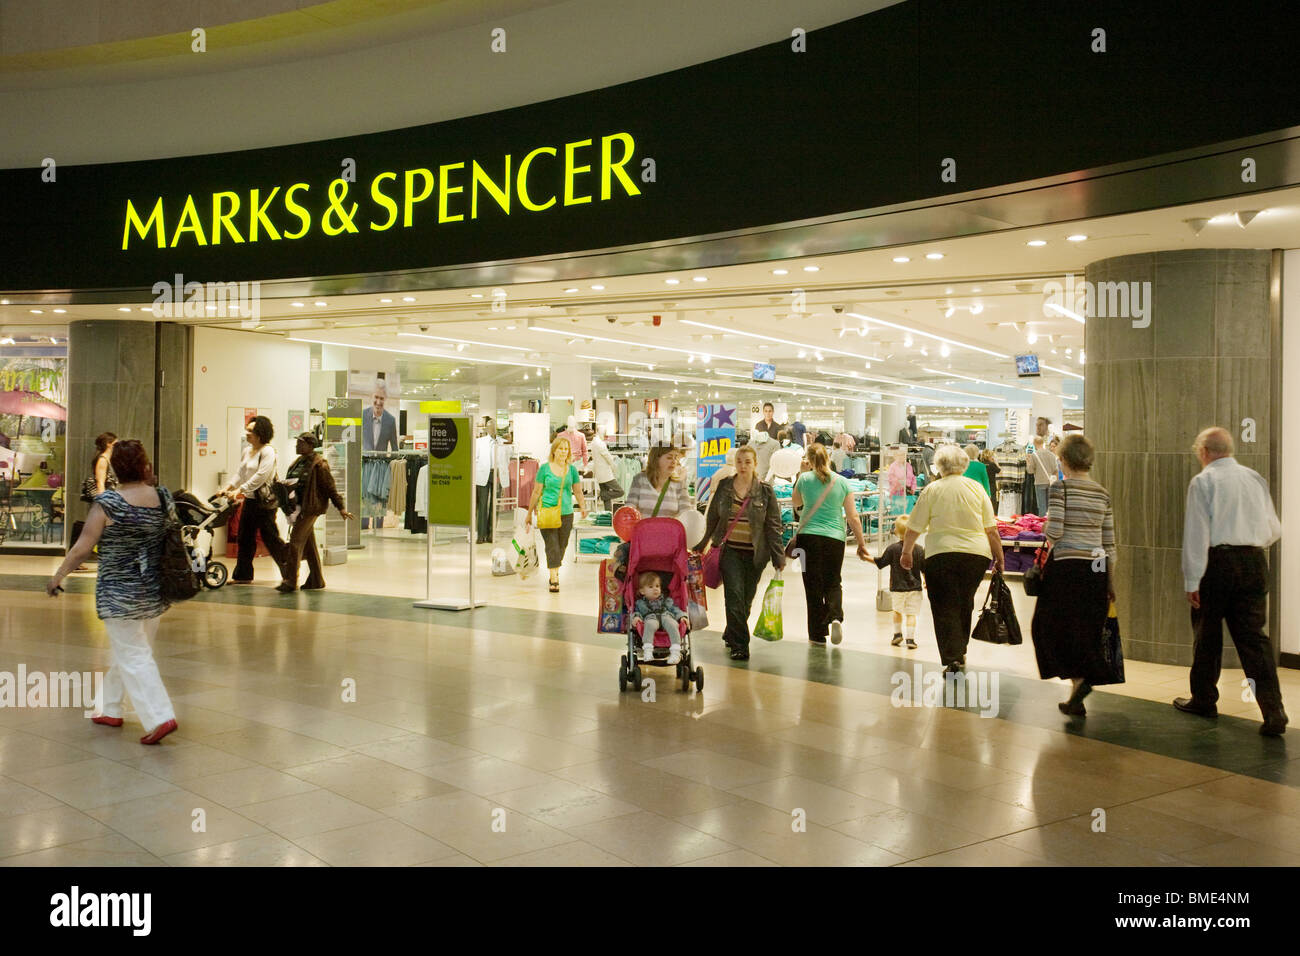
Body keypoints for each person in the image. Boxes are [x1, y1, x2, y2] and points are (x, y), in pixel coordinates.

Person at [45, 440, 178, 745]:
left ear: (117, 468)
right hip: (154, 589)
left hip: (119, 592)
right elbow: (171, 532)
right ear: (146, 466)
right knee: (130, 650)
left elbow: (82, 548)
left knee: (134, 653)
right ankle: (109, 708)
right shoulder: (162, 497)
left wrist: (58, 576)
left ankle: (160, 716)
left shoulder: (108, 503)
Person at [1176, 427, 1288, 735]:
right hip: (1254, 561)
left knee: (1207, 636)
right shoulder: (1254, 478)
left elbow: (1197, 535)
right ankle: (1273, 710)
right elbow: (1273, 528)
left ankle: (1204, 699)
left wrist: (1192, 580)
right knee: (1254, 641)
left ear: (1204, 452)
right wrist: (1250, 544)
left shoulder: (1203, 481)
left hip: (1218, 564)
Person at [1030, 434, 1117, 716]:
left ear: (1063, 460)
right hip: (1096, 567)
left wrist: (1043, 528)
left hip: (1067, 564)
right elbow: (1110, 544)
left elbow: (1055, 532)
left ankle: (1083, 676)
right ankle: (1077, 690)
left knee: (1048, 624)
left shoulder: (1060, 489)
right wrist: (1110, 582)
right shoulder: (1102, 493)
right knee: (1086, 626)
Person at [901, 444, 1004, 673]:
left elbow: (913, 527)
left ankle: (952, 657)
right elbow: (991, 529)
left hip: (940, 555)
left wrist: (906, 551)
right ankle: (961, 649)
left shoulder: (932, 489)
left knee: (943, 604)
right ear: (965, 464)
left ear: (939, 466)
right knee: (964, 601)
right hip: (976, 556)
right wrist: (999, 556)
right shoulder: (977, 489)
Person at [695, 445, 785, 660]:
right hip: (730, 551)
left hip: (756, 554)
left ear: (755, 464)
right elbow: (713, 518)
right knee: (734, 595)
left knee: (746, 599)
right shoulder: (725, 486)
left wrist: (778, 556)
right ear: (734, 463)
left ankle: (732, 631)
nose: (743, 466)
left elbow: (773, 525)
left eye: (747, 462)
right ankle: (740, 645)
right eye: (739, 461)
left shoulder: (765, 491)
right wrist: (701, 544)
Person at [791, 443, 870, 645]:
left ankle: (817, 635)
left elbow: (796, 503)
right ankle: (835, 616)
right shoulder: (843, 482)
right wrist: (861, 544)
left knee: (812, 585)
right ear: (828, 457)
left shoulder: (804, 479)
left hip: (807, 539)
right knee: (833, 581)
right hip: (835, 539)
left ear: (808, 460)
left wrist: (801, 474)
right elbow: (853, 517)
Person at [279, 432, 354, 592]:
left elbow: (330, 488)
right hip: (297, 508)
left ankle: (291, 581)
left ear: (310, 445)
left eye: (300, 443)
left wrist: (341, 508)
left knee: (295, 543)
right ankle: (316, 579)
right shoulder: (297, 463)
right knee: (309, 545)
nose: (297, 445)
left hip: (311, 509)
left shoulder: (320, 464)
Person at [222, 415, 289, 585]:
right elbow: (240, 473)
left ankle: (289, 572)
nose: (247, 433)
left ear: (260, 434)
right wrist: (228, 487)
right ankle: (243, 576)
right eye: (247, 429)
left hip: (264, 503)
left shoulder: (268, 451)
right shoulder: (247, 451)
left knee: (271, 539)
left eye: (250, 431)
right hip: (251, 501)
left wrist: (240, 490)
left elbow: (261, 476)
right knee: (244, 538)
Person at [524, 435, 588, 593]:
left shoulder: (572, 470)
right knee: (551, 545)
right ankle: (554, 578)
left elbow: (578, 491)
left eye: (566, 449)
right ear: (554, 450)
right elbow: (536, 491)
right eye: (560, 449)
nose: (563, 452)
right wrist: (529, 513)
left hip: (566, 513)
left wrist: (583, 507)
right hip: (546, 512)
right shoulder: (544, 468)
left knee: (562, 545)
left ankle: (554, 570)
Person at [875, 515, 925, 649]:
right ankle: (910, 639)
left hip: (897, 587)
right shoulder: (919, 549)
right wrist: (926, 581)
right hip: (915, 588)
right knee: (911, 614)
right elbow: (924, 568)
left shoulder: (892, 549)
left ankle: (897, 634)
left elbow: (880, 562)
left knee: (897, 611)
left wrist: (866, 557)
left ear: (896, 531)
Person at [633, 570, 689, 664]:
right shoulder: (641, 603)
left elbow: (675, 610)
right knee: (649, 625)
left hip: (666, 616)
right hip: (650, 618)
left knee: (672, 624)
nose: (655, 589)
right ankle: (648, 650)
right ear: (642, 591)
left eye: (657, 586)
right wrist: (636, 617)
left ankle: (675, 651)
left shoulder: (667, 601)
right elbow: (637, 612)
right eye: (651, 587)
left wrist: (682, 616)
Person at [626, 445, 691, 519]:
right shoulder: (640, 479)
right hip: (644, 529)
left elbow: (686, 512)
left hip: (670, 530)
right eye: (669, 458)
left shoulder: (679, 484)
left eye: (675, 457)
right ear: (656, 459)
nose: (674, 461)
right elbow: (629, 509)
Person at [474, 419, 500, 543]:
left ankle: (491, 534)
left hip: (496, 475)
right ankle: (481, 534)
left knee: (495, 506)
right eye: (490, 426)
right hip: (483, 475)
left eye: (494, 427)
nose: (493, 429)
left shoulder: (501, 442)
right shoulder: (479, 442)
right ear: (486, 428)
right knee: (482, 505)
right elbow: (474, 459)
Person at [587, 425, 622, 512]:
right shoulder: (599, 443)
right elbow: (607, 456)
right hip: (605, 474)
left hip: (600, 474)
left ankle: (608, 515)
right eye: (604, 432)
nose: (604, 434)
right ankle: (601, 495)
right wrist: (614, 465)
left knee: (607, 499)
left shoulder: (594, 442)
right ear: (600, 432)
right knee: (620, 491)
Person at [362, 379, 398, 451]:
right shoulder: (362, 415)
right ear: (371, 396)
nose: (378, 402)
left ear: (385, 399)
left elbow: (394, 449)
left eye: (381, 398)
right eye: (376, 397)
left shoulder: (391, 421)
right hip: (364, 461)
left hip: (382, 462)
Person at [1026, 435, 1057, 516]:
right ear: (1043, 443)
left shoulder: (1034, 455)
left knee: (1042, 507)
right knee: (1050, 506)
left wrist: (1028, 462)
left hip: (1039, 483)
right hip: (1050, 482)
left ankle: (1042, 525)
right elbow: (1055, 470)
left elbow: (1030, 471)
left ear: (1034, 443)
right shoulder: (1052, 455)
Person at [883, 444, 915, 515]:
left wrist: (913, 488)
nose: (902, 457)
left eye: (903, 455)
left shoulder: (908, 465)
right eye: (900, 455)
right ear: (895, 456)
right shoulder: (893, 466)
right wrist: (900, 484)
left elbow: (913, 478)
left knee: (908, 515)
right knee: (897, 516)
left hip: (908, 494)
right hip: (897, 494)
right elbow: (891, 479)